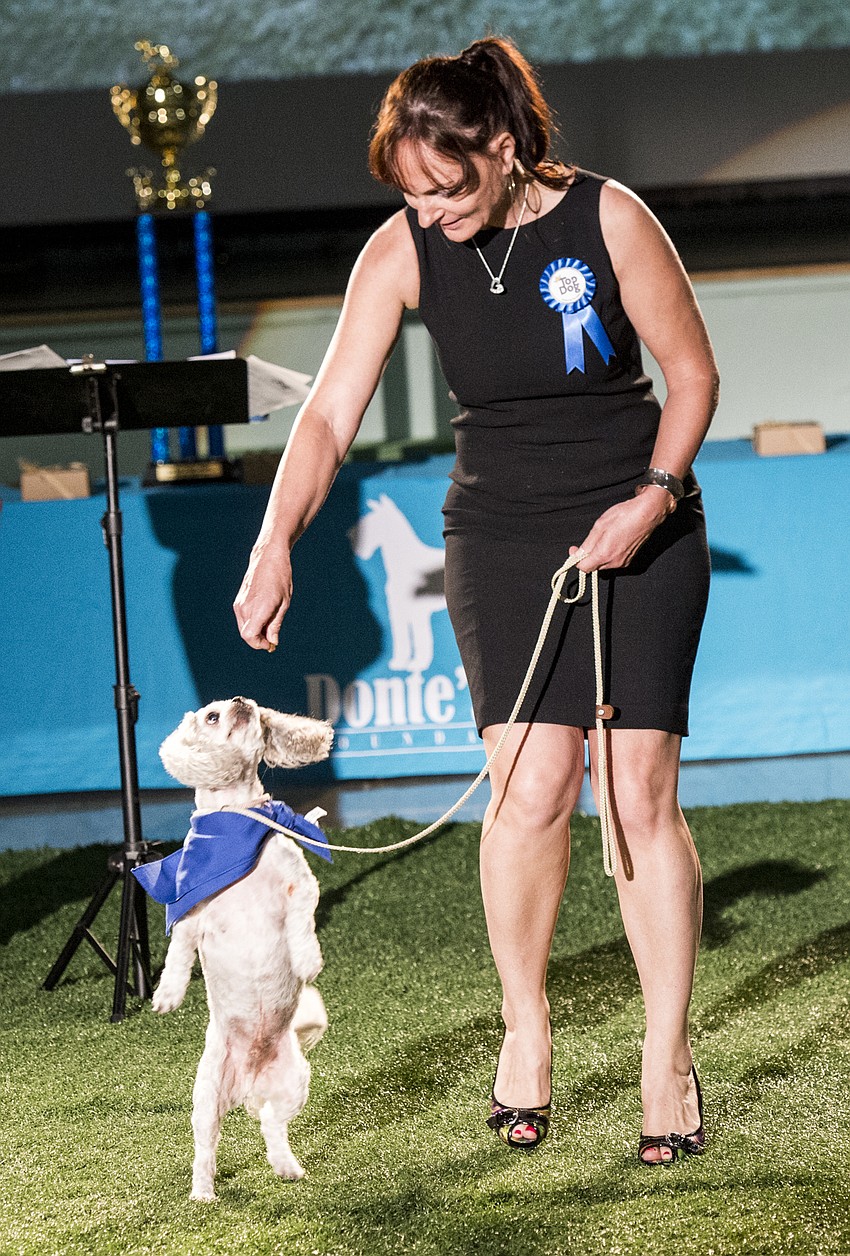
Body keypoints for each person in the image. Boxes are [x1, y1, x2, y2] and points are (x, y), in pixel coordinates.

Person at [233, 36, 719, 1165]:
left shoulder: (608, 219)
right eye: (411, 192)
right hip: (500, 531)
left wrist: (649, 499)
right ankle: (525, 1026)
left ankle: (664, 1054)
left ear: (501, 150)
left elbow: (690, 377)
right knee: (532, 782)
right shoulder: (403, 247)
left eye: (448, 189)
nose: (431, 212)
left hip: (637, 512)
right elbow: (327, 413)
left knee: (637, 790)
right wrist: (275, 538)